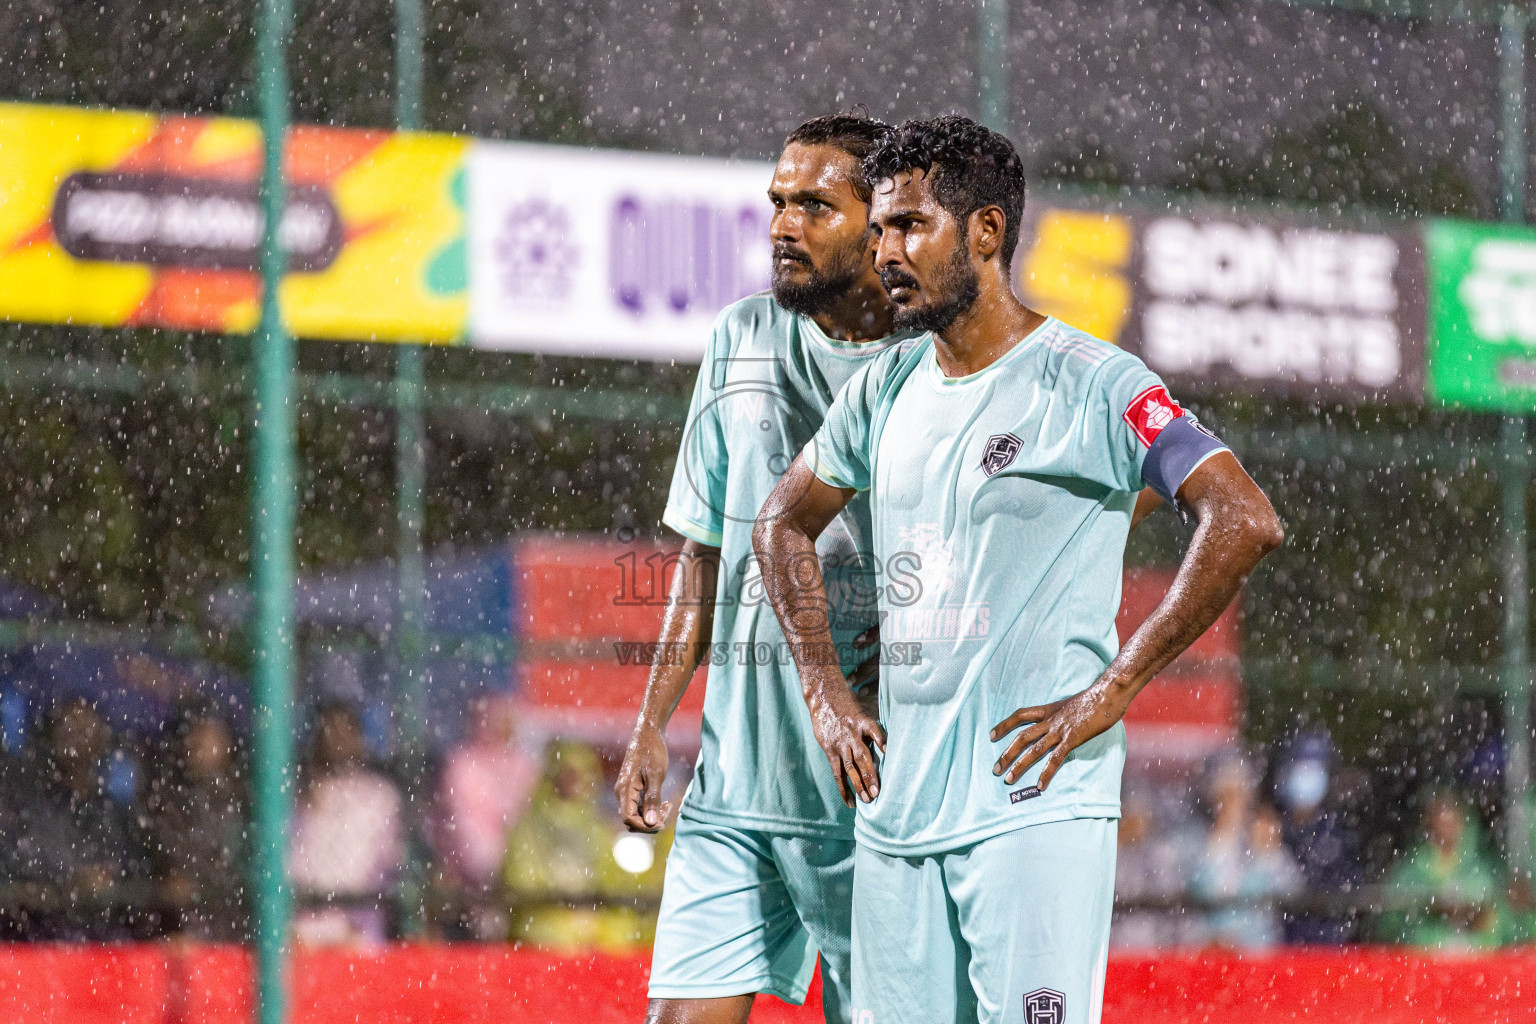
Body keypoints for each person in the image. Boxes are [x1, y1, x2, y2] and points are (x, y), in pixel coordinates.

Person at [753, 115, 1284, 1024]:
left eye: (911, 225)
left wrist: (1111, 691)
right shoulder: (883, 387)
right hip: (896, 818)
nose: (885, 251)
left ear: (987, 232)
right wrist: (827, 697)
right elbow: (779, 524)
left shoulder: (1097, 382)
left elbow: (1243, 517)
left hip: (1034, 808)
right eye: (879, 228)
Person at [612, 111, 908, 1024]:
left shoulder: (931, 363)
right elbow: (701, 552)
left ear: (880, 220)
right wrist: (652, 720)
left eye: (816, 205)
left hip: (879, 801)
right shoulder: (738, 338)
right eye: (778, 202)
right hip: (735, 791)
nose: (784, 224)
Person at [4, 697, 151, 940]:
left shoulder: (118, 815)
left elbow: (139, 875)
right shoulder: (32, 812)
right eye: (68, 726)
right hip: (44, 941)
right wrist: (68, 885)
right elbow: (19, 876)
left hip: (112, 943)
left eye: (86, 727)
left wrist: (112, 885)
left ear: (102, 739)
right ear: (52, 737)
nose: (77, 736)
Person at [504, 739, 668, 954]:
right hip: (545, 921)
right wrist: (568, 912)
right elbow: (522, 883)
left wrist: (596, 914)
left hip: (595, 920)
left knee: (626, 938)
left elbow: (614, 880)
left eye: (579, 775)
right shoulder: (529, 828)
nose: (573, 782)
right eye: (567, 775)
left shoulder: (597, 828)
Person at [288, 699, 404, 946]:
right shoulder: (297, 799)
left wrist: (352, 929)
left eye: (345, 731)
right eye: (329, 731)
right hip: (303, 939)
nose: (337, 741)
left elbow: (383, 871)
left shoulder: (380, 796)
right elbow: (291, 869)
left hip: (359, 937)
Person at [432, 692, 540, 938]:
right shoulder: (462, 764)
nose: (504, 726)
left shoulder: (525, 766)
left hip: (516, 875)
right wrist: (495, 864)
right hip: (471, 878)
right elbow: (463, 825)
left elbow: (531, 819)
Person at [146, 702, 248, 942]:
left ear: (227, 744)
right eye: (193, 733)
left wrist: (200, 882)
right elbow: (164, 865)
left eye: (209, 734)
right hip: (180, 932)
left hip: (233, 932)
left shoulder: (244, 802)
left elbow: (240, 866)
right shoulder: (168, 802)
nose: (198, 742)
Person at [1190, 754, 1302, 950]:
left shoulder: (1261, 839)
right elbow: (1191, 893)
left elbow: (1293, 892)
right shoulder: (1195, 843)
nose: (1234, 802)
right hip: (1207, 958)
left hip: (1257, 955)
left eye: (1240, 792)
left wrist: (1270, 854)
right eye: (1226, 794)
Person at [1378, 787, 1508, 950]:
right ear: (1428, 822)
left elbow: (1499, 919)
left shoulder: (1480, 869)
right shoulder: (1412, 870)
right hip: (1425, 960)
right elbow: (1391, 922)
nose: (1446, 826)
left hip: (1474, 960)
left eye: (1452, 818)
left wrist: (1475, 915)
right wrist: (1429, 909)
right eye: (1440, 818)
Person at [1273, 730, 1363, 944]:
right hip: (1279, 948)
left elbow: (1350, 896)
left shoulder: (1339, 835)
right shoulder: (1272, 830)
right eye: (1301, 768)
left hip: (1326, 948)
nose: (1307, 777)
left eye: (1316, 770)